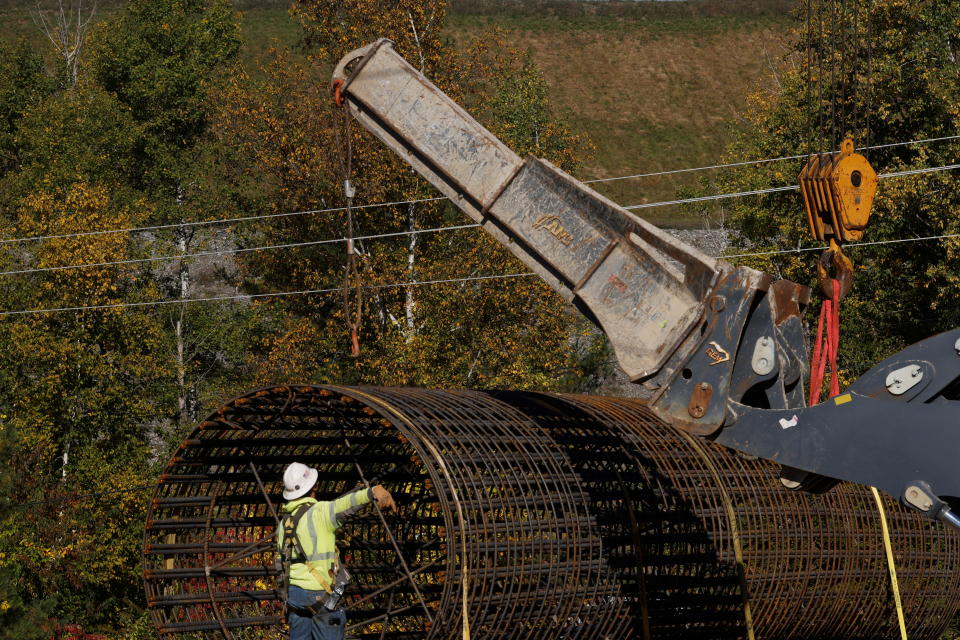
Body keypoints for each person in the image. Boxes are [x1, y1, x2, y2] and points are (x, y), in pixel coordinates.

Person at [278, 461, 397, 640]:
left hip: (295, 597)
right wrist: (372, 492)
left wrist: (284, 598)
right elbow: (346, 504)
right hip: (321, 595)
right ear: (314, 487)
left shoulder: (284, 523)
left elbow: (281, 564)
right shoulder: (320, 511)